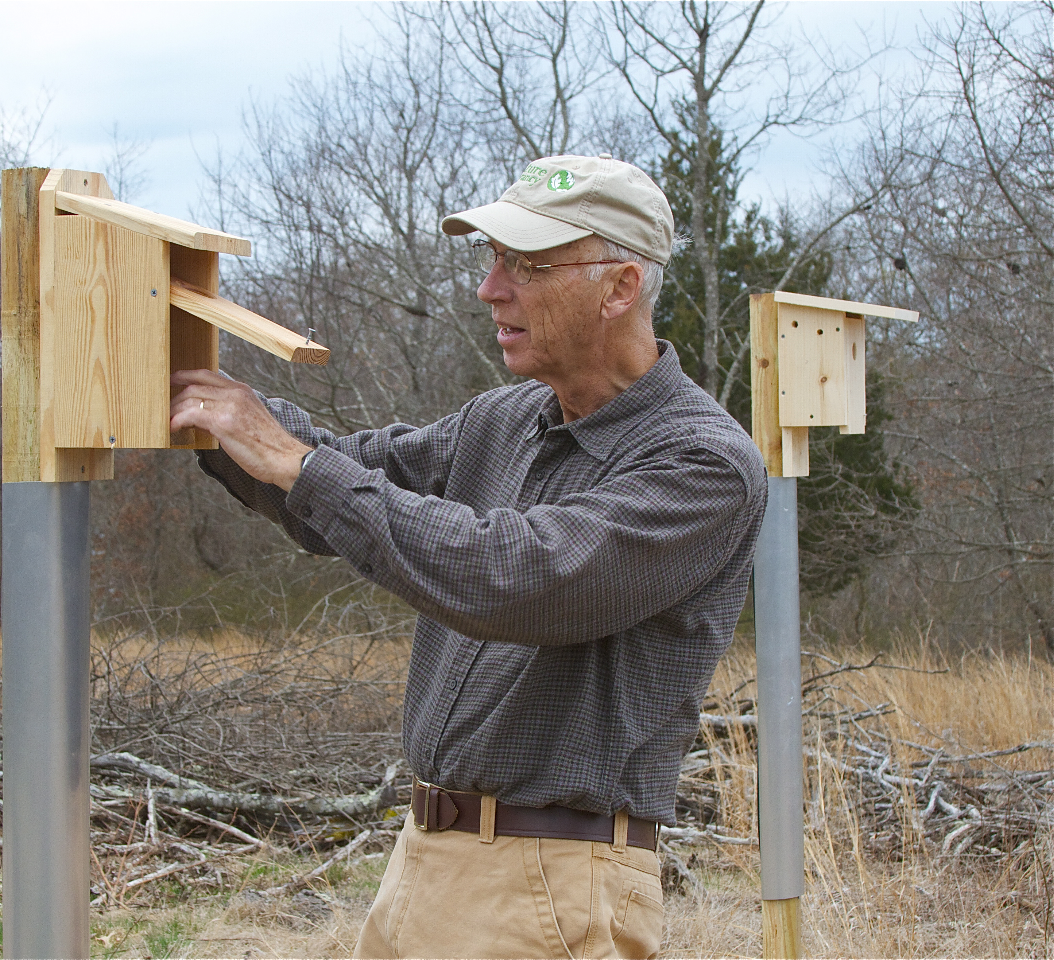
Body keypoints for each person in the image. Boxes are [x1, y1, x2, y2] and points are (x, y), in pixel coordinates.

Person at [169, 154, 767, 959]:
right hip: (425, 859)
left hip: (552, 882)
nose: (491, 288)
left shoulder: (702, 463)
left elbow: (520, 580)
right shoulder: (505, 419)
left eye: (527, 265)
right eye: (492, 260)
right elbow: (342, 485)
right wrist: (203, 402)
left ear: (620, 287)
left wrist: (300, 465)